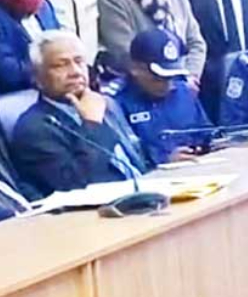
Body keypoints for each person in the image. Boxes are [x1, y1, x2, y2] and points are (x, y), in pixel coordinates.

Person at [10, 30, 148, 201]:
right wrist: (93, 125)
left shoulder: (105, 104)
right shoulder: (34, 128)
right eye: (61, 65)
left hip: (145, 193)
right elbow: (75, 185)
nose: (75, 72)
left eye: (79, 61)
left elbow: (137, 159)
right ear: (37, 78)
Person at [103, 29, 213, 166]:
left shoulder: (183, 90)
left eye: (171, 77)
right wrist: (162, 160)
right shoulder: (116, 103)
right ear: (135, 68)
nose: (167, 85)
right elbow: (123, 158)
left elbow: (206, 133)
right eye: (158, 79)